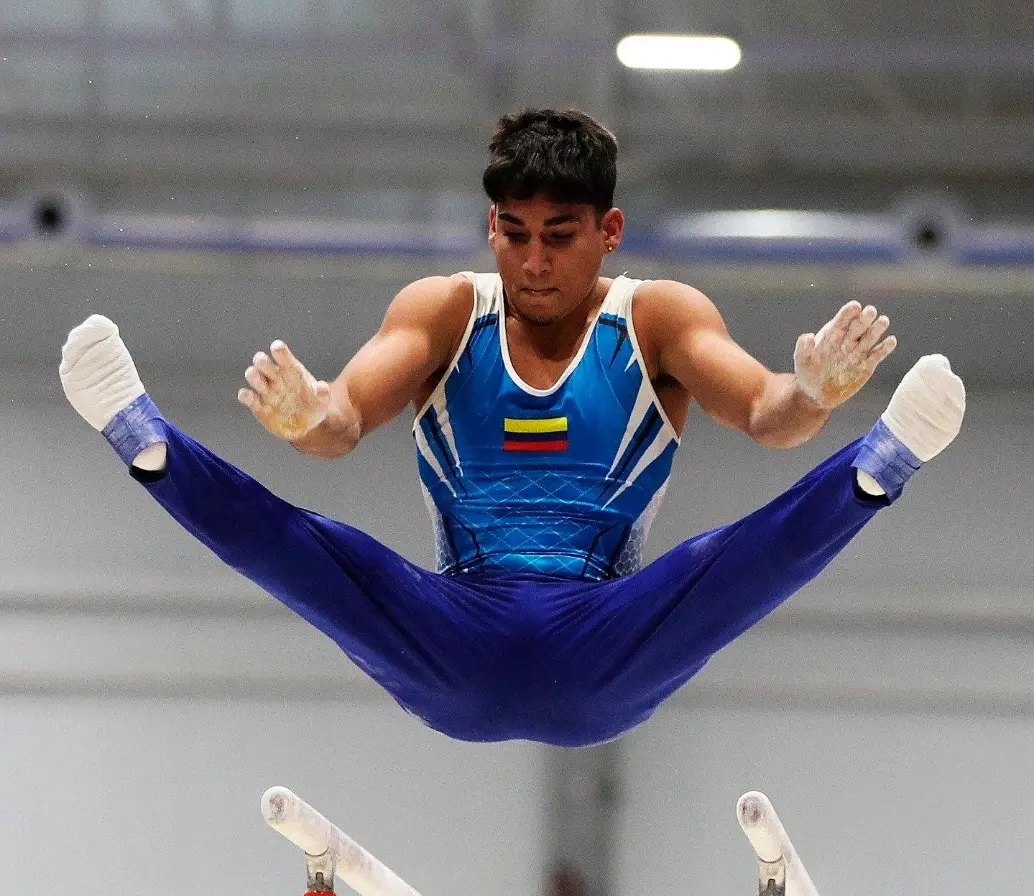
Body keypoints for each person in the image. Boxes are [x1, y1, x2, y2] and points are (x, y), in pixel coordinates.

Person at [59, 108, 965, 747]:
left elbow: (769, 415)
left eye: (559, 235)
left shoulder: (658, 319)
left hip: (606, 642)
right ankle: (148, 442)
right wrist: (306, 415)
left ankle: (875, 467)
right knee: (310, 544)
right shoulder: (444, 310)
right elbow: (340, 423)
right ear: (490, 224)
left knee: (726, 562)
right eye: (513, 231)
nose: (532, 260)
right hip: (450, 634)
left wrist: (814, 391)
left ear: (609, 230)